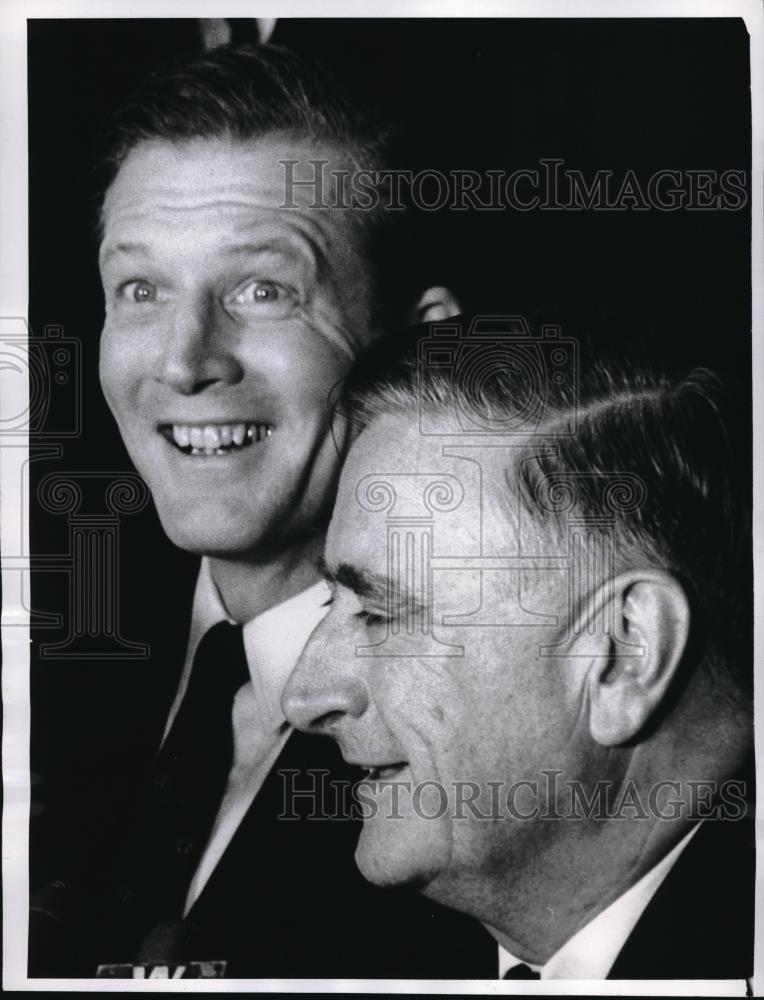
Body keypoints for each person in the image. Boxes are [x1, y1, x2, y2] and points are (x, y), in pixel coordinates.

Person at [29, 44, 498, 978]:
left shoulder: (492, 754)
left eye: (262, 290)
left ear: (421, 348)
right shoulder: (49, 655)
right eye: (141, 289)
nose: (183, 360)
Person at [283, 317, 754, 980]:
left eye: (381, 615)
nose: (304, 697)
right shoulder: (349, 947)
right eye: (334, 602)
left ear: (625, 655)